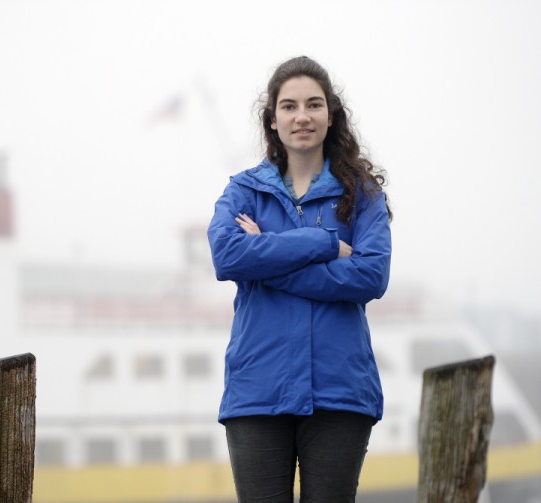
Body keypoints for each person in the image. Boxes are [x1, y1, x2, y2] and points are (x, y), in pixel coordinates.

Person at [206, 56, 392, 503]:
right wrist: (323, 243)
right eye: (289, 106)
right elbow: (227, 254)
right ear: (272, 120)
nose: (302, 116)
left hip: (340, 392)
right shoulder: (243, 191)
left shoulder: (363, 196)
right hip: (257, 391)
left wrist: (267, 263)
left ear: (331, 115)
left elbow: (370, 275)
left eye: (313, 104)